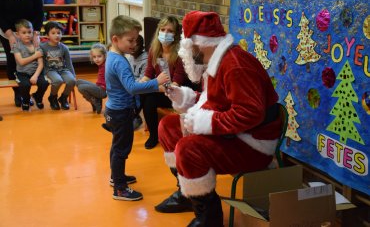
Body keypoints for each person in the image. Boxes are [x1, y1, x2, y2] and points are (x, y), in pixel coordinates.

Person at [155, 11, 283, 226]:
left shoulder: (235, 65)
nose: (185, 50)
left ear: (200, 43)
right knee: (168, 126)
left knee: (188, 148)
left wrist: (202, 123)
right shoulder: (215, 60)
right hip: (234, 134)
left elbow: (250, 114)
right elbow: (214, 101)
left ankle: (209, 218)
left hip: (252, 143)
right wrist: (186, 97)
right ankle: (190, 195)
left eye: (188, 44)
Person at [104, 15, 169, 201]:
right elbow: (132, 88)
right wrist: (156, 82)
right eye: (130, 40)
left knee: (117, 146)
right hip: (120, 112)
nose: (134, 44)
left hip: (114, 110)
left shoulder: (114, 55)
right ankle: (120, 189)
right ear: (115, 39)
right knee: (121, 149)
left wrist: (155, 86)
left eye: (136, 39)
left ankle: (116, 177)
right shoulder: (119, 62)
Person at [140, 16, 188, 149]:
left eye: (170, 31)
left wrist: (151, 87)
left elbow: (176, 84)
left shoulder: (180, 54)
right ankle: (154, 136)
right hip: (159, 89)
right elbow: (148, 74)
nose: (165, 33)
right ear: (158, 31)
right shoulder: (154, 50)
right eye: (163, 29)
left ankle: (132, 116)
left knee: (146, 94)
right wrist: (140, 84)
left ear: (176, 34)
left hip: (175, 94)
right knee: (146, 98)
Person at [0, 0, 44, 107]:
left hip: (29, 32)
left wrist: (35, 33)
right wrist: (9, 34)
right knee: (13, 61)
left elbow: (39, 12)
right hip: (8, 31)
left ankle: (26, 92)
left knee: (32, 60)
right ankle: (18, 93)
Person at [13, 19, 49, 111]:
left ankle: (38, 97)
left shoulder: (37, 45)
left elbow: (41, 64)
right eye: (24, 32)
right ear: (18, 34)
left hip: (37, 72)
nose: (27, 35)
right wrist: (35, 56)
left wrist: (35, 76)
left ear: (33, 32)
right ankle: (25, 100)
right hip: (22, 73)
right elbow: (21, 62)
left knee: (44, 83)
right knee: (25, 85)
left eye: (29, 32)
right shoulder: (16, 46)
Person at [40, 21, 76, 110]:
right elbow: (41, 62)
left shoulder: (64, 48)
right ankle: (53, 97)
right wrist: (43, 73)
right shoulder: (43, 47)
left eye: (59, 33)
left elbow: (68, 63)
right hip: (50, 70)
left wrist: (73, 75)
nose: (57, 35)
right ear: (47, 35)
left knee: (71, 80)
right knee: (57, 81)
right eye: (53, 33)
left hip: (62, 69)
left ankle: (63, 98)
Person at [76, 43, 107, 114]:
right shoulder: (101, 64)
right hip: (99, 87)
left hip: (103, 90)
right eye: (94, 57)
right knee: (78, 82)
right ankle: (96, 99)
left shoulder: (106, 65)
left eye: (99, 56)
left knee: (81, 87)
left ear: (105, 56)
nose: (97, 59)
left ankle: (95, 102)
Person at [126, 34, 147, 130]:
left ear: (142, 46)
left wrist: (130, 85)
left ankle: (135, 117)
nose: (133, 47)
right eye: (131, 43)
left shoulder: (146, 59)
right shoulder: (130, 58)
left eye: (137, 44)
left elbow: (144, 79)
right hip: (132, 86)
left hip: (141, 89)